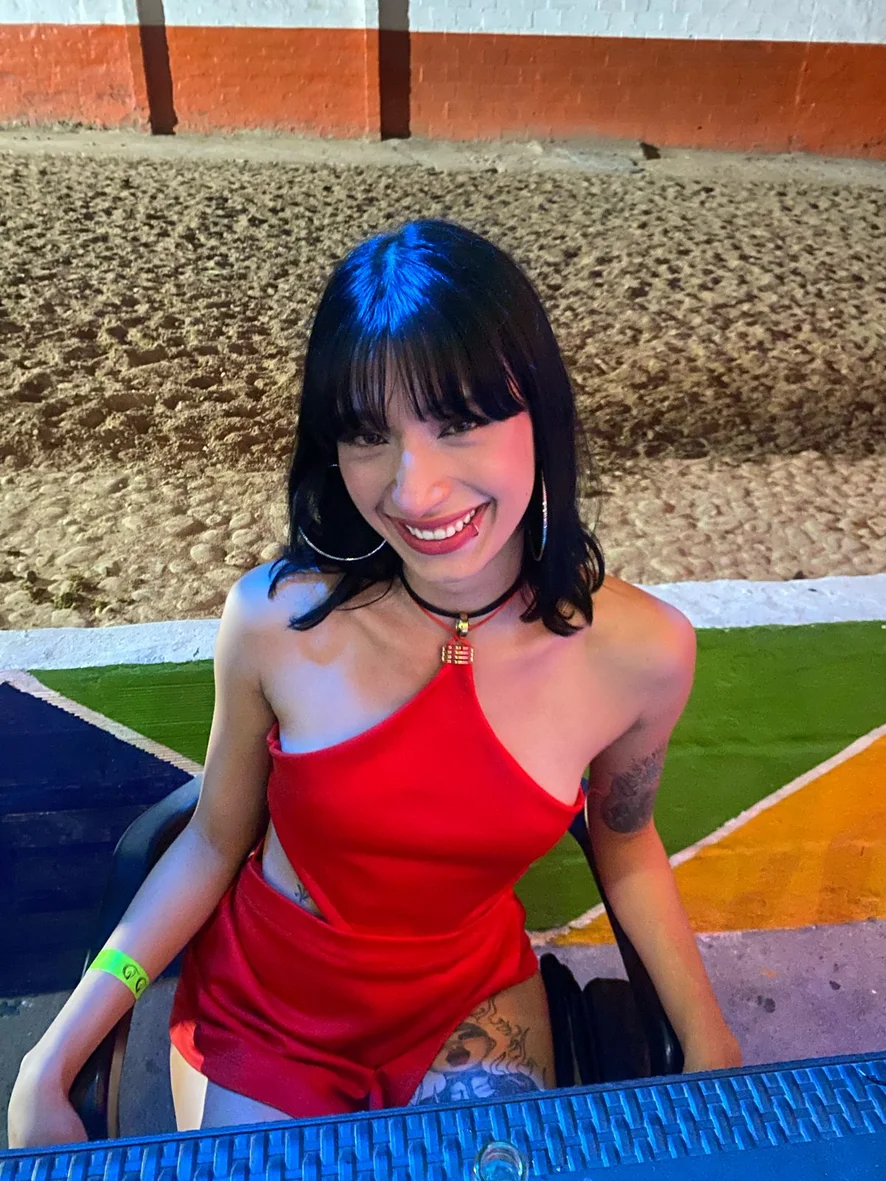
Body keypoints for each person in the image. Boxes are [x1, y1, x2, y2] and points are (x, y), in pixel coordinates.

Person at [8, 219, 740, 1147]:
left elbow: (625, 843)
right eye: (367, 433)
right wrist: (58, 1053)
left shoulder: (645, 653)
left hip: (468, 1001)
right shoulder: (275, 621)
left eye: (458, 422)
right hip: (269, 1016)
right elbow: (211, 841)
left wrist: (710, 1039)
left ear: (541, 413)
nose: (414, 490)